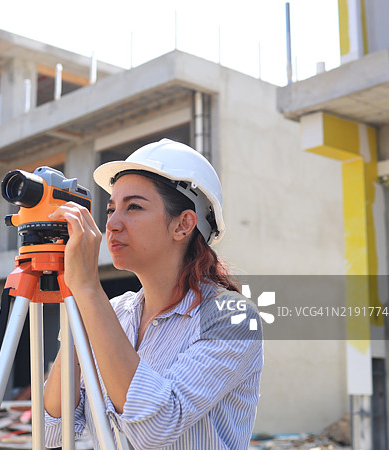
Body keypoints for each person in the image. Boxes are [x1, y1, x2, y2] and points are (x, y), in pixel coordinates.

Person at [42, 139, 263, 449]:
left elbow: (154, 427)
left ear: (183, 224)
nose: (113, 224)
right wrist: (79, 300)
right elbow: (51, 431)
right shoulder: (112, 313)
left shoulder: (232, 318)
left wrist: (90, 289)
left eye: (133, 207)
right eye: (111, 209)